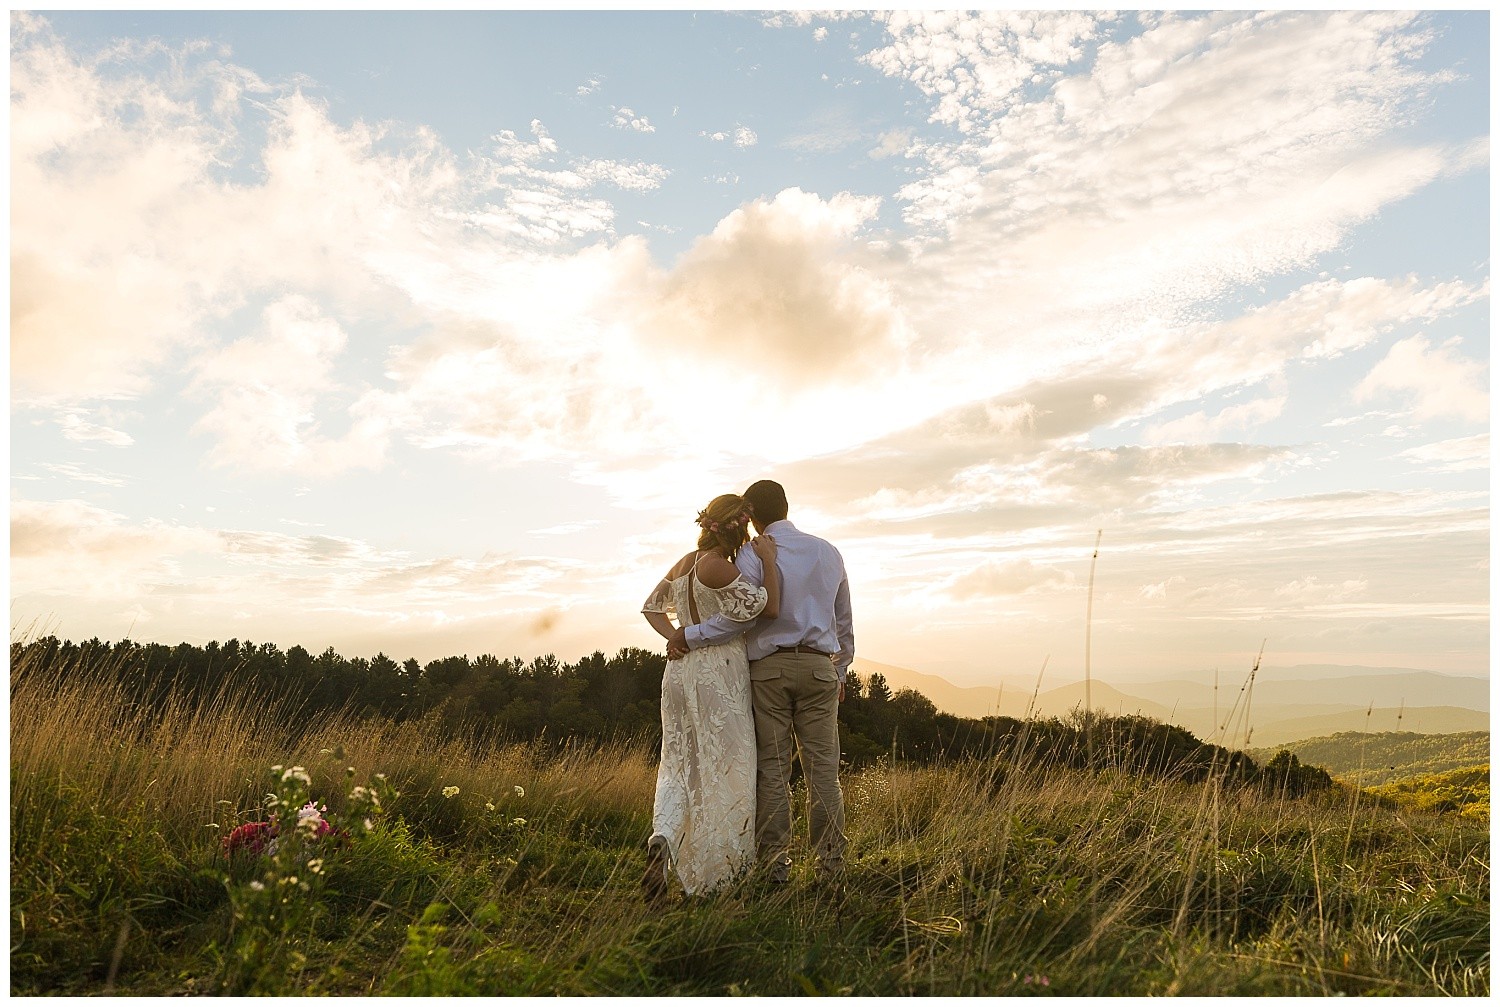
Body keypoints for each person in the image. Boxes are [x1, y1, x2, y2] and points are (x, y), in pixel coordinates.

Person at [668, 479, 853, 884]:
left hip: (769, 669)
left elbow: (747, 614)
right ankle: (830, 869)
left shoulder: (754, 554)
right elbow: (844, 620)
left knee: (772, 770)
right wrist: (839, 670)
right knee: (824, 772)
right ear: (787, 506)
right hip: (821, 668)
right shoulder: (829, 552)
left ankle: (775, 870)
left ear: (751, 517)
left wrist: (690, 635)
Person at [640, 493, 781, 901]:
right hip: (718, 671)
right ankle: (718, 877)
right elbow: (765, 608)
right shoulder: (718, 565)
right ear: (737, 527)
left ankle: (663, 837)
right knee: (728, 767)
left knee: (679, 765)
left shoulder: (684, 563)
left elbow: (651, 608)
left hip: (679, 673)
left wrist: (677, 639)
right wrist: (768, 562)